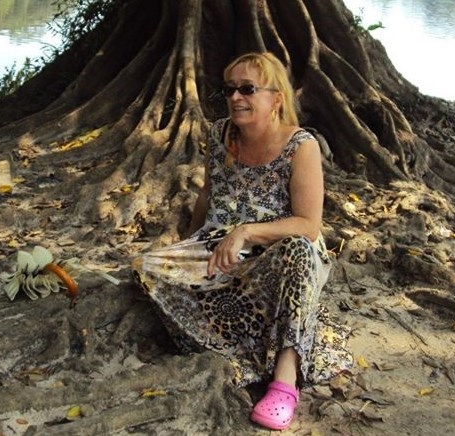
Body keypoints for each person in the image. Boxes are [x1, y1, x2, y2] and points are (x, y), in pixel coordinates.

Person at [131, 52, 352, 431]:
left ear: (276, 98)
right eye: (230, 89)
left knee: (299, 251)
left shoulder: (301, 146)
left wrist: (246, 231)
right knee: (146, 268)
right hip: (221, 249)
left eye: (248, 89)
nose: (235, 97)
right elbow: (208, 194)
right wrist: (189, 246)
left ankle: (284, 380)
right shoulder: (220, 134)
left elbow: (309, 225)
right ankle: (238, 352)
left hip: (277, 255)